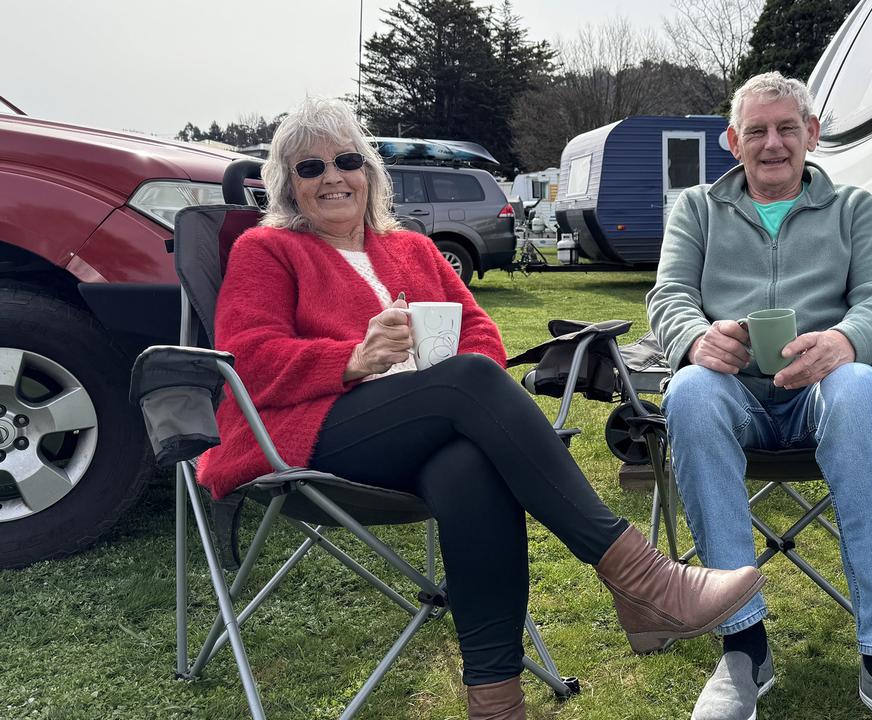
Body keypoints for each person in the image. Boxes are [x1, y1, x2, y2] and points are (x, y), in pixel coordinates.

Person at [198, 97, 765, 720]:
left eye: (346, 160)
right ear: (288, 184)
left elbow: (481, 334)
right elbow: (246, 358)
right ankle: (643, 580)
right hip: (308, 434)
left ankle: (495, 704)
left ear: (369, 172)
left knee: (467, 462)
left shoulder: (411, 248)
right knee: (465, 382)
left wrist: (446, 385)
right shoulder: (268, 250)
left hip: (425, 433)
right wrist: (352, 359)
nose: (333, 177)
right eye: (311, 168)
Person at [646, 72, 872, 720]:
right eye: (757, 130)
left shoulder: (854, 210)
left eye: (787, 128)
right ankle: (745, 649)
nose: (773, 143)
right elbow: (667, 297)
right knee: (691, 392)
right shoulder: (695, 209)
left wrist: (844, 339)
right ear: (733, 140)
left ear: (811, 134)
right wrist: (698, 340)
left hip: (825, 393)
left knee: (863, 387)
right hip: (733, 394)